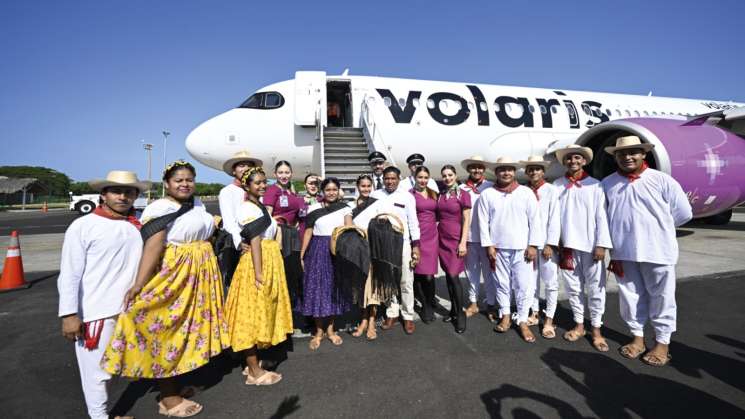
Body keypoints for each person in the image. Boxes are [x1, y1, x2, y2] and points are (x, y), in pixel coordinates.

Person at [102, 161, 230, 417]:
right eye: (178, 180)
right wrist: (140, 283)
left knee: (185, 330)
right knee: (165, 331)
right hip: (175, 276)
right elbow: (154, 245)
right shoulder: (159, 207)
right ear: (167, 184)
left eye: (189, 180)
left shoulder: (196, 203)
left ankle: (176, 385)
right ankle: (168, 397)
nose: (184, 184)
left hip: (199, 274)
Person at [58, 170, 150, 419]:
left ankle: (105, 414)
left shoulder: (138, 223)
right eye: (116, 191)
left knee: (116, 368)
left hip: (129, 310)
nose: (123, 196)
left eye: (129, 192)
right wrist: (69, 314)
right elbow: (69, 273)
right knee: (97, 373)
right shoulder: (84, 225)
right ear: (103, 194)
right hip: (96, 312)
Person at [601, 136, 692, 366]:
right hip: (623, 252)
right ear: (616, 157)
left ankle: (662, 343)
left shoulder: (662, 180)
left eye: (633, 152)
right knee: (630, 297)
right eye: (622, 154)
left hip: (658, 251)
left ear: (643, 154)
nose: (628, 157)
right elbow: (602, 217)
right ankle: (637, 338)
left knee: (662, 297)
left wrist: (658, 230)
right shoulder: (608, 183)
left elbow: (683, 213)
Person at [225, 166, 293, 385]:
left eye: (264, 182)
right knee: (251, 315)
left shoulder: (259, 206)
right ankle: (253, 372)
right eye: (257, 183)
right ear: (247, 185)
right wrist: (259, 272)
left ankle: (252, 365)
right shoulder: (247, 208)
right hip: (259, 261)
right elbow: (254, 241)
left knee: (260, 312)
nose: (262, 185)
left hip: (269, 258)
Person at [553, 145, 613, 352]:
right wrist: (555, 241)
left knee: (596, 289)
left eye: (577, 158)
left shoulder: (595, 186)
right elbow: (553, 218)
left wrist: (601, 244)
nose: (573, 161)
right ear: (564, 162)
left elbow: (602, 217)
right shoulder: (557, 185)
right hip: (567, 247)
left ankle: (596, 330)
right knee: (573, 288)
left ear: (584, 161)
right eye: (569, 158)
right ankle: (579, 325)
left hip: (590, 247)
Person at [477, 157, 544, 343]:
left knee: (524, 285)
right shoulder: (488, 194)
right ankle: (505, 314)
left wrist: (532, 245)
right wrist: (489, 245)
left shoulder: (526, 193)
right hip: (498, 248)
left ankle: (522, 320)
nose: (506, 173)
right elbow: (483, 222)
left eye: (509, 169)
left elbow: (535, 221)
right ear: (496, 173)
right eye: (502, 170)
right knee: (501, 283)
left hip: (522, 248)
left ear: (514, 172)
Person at [300, 177, 354, 350]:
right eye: (328, 190)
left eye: (334, 189)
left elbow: (348, 228)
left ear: (338, 190)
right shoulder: (314, 208)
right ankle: (318, 332)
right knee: (316, 289)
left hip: (336, 250)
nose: (331, 192)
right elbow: (308, 232)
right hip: (316, 250)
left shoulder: (346, 208)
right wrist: (302, 255)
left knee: (333, 289)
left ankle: (330, 330)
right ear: (322, 191)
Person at [371, 166, 421, 335]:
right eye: (387, 178)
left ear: (399, 179)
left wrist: (416, 246)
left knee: (406, 281)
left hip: (403, 243)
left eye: (393, 178)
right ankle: (391, 313)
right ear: (383, 179)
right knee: (388, 280)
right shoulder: (375, 195)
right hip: (383, 245)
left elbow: (413, 222)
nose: (390, 181)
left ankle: (407, 316)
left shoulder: (407, 197)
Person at [520, 155, 561, 339]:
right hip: (529, 244)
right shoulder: (523, 191)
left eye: (537, 169)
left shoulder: (551, 190)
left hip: (545, 244)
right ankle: (534, 311)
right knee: (531, 281)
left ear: (543, 171)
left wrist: (551, 243)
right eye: (530, 169)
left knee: (550, 282)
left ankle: (550, 318)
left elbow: (555, 218)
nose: (534, 172)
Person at [263, 160, 306, 306]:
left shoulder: (291, 191)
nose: (284, 175)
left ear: (291, 173)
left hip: (293, 234)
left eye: (287, 172)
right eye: (280, 172)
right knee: (283, 273)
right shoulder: (272, 190)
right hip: (280, 235)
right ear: (275, 174)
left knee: (293, 274)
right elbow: (267, 215)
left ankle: (291, 310)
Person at [218, 150, 263, 289]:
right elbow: (229, 221)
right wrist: (240, 241)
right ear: (233, 171)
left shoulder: (258, 190)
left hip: (258, 242)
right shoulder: (227, 191)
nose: (245, 169)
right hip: (238, 244)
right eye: (241, 165)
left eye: (248, 165)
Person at [459, 156, 496, 320]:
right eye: (473, 167)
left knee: (489, 274)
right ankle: (473, 303)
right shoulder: (461, 189)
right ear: (468, 170)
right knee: (472, 274)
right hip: (469, 238)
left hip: (488, 239)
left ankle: (491, 304)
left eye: (480, 167)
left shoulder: (491, 187)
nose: (477, 170)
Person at [437, 165, 472, 333]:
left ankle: (460, 314)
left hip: (456, 241)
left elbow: (467, 219)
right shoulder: (441, 195)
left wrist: (463, 242)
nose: (447, 178)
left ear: (456, 175)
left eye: (450, 175)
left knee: (453, 276)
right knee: (449, 278)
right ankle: (453, 310)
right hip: (442, 240)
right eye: (444, 175)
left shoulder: (463, 194)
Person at [349, 174, 384, 340]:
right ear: (357, 187)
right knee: (361, 286)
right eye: (363, 186)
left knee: (373, 286)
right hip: (357, 250)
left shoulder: (377, 205)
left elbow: (382, 226)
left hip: (373, 249)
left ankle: (371, 321)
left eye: (368, 186)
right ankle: (362, 319)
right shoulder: (350, 206)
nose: (366, 189)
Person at [410, 166, 439, 324]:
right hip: (417, 238)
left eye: (425, 177)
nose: (423, 180)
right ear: (414, 177)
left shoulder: (434, 193)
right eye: (420, 177)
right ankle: (426, 305)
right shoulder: (409, 195)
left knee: (429, 274)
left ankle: (429, 300)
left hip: (432, 238)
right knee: (419, 273)